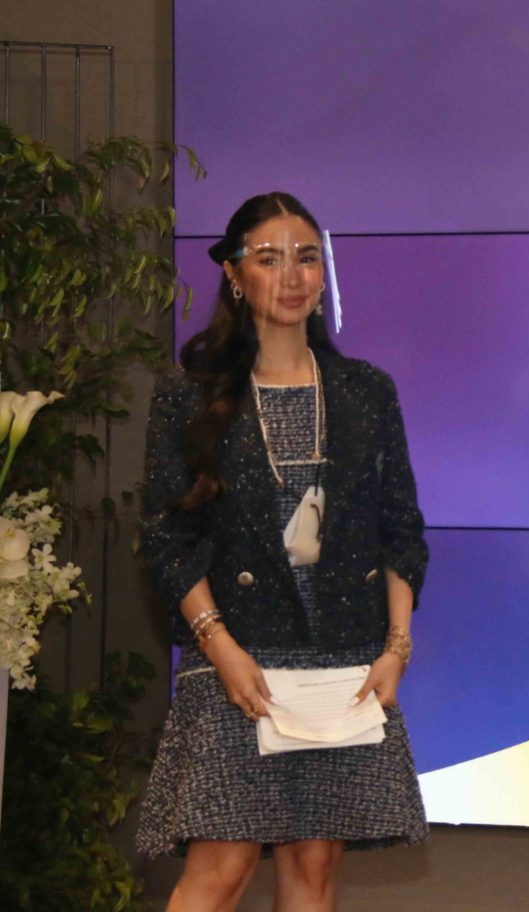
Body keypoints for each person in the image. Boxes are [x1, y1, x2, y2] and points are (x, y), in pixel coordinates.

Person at [136, 192, 429, 911]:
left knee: (313, 867)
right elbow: (168, 537)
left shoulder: (365, 391)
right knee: (221, 869)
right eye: (269, 258)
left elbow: (401, 528)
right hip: (235, 651)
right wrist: (219, 646)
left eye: (307, 258)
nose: (292, 276)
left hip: (342, 658)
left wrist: (395, 647)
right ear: (235, 274)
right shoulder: (190, 395)